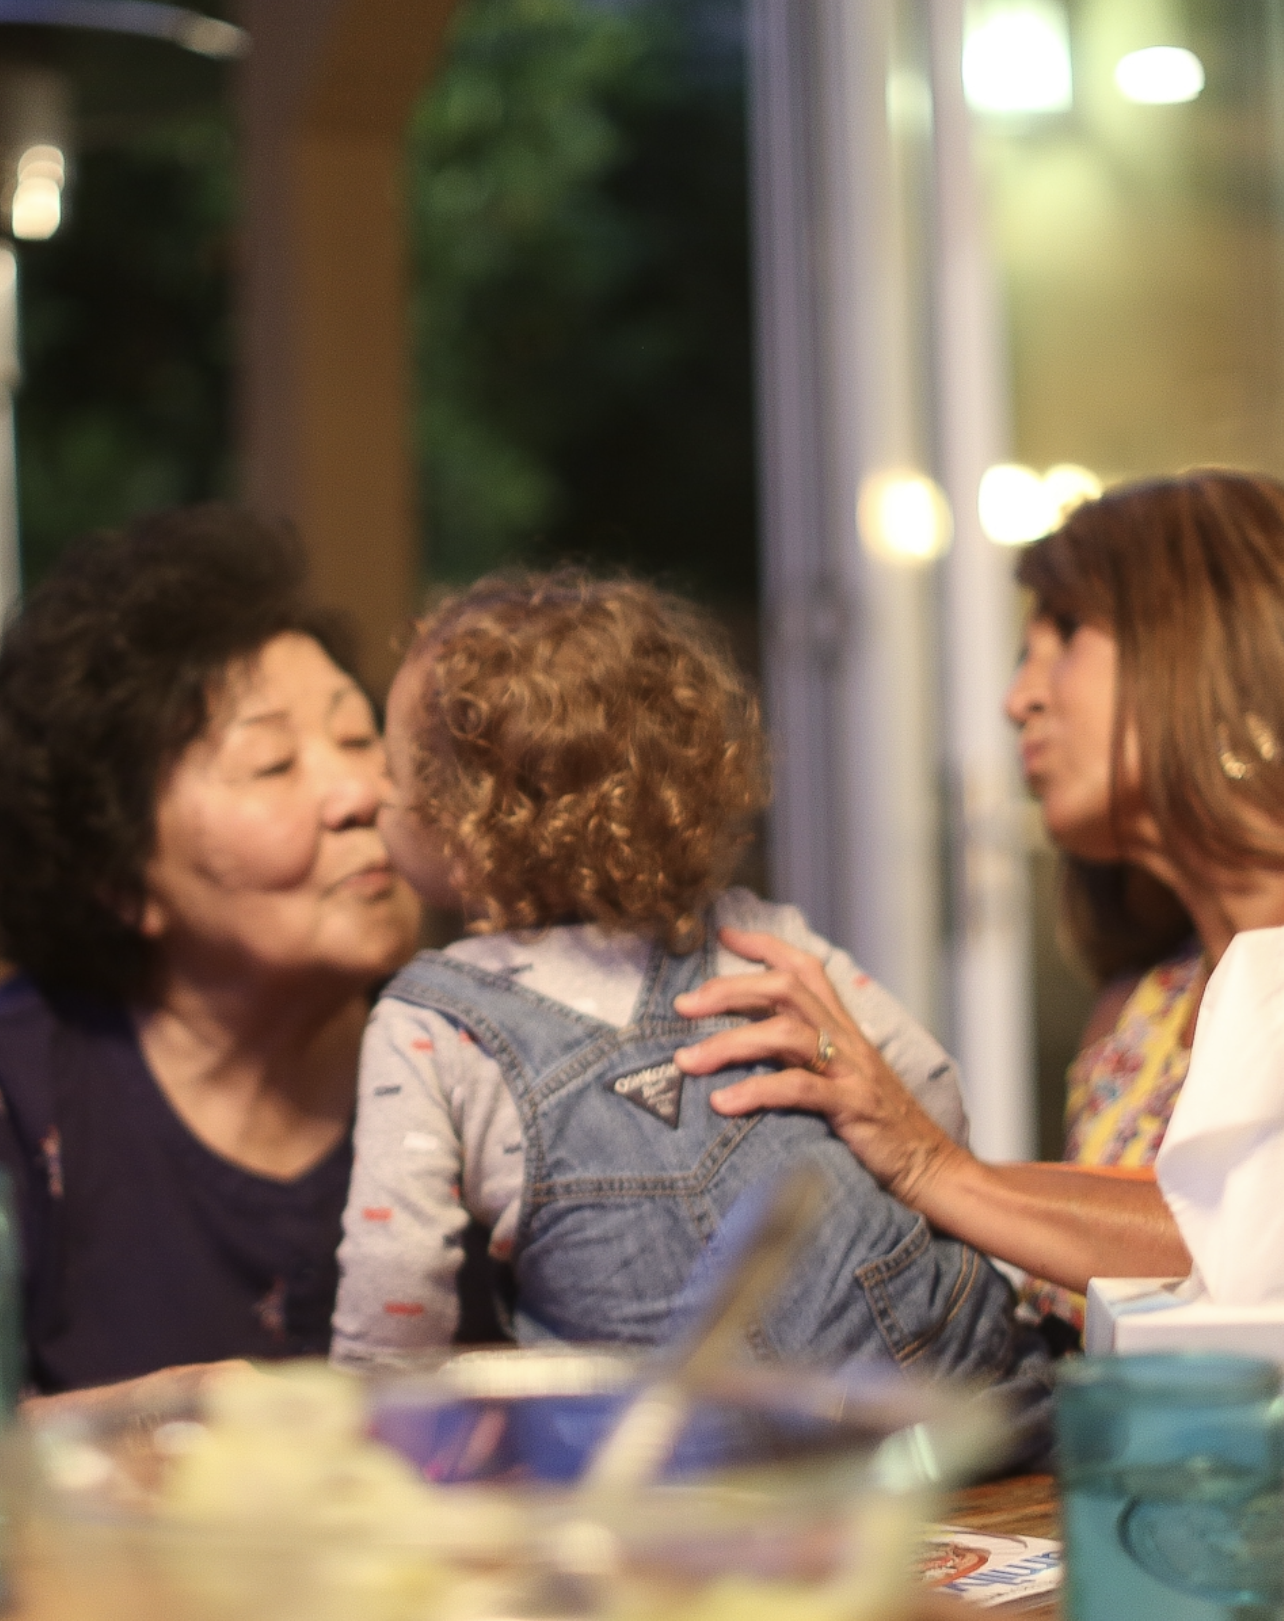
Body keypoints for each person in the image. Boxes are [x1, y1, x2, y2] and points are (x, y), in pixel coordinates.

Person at [332, 571, 1051, 1422]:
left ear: (459, 826)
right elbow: (924, 1090)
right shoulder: (763, 939)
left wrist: (374, 1422)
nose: (376, 794)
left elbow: (397, 1276)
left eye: (394, 770)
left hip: (672, 1459)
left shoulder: (431, 1025)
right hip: (940, 1384)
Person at [675, 469, 1284, 1314]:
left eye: (1065, 635)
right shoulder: (1136, 1014)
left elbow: (1243, 1244)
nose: (1017, 698)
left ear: (1213, 645)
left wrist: (928, 1160)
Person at [0, 505, 420, 1394]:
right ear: (119, 874)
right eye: (273, 763)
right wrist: (154, 1435)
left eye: (359, 734)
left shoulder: (486, 1047)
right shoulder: (23, 1092)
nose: (363, 789)